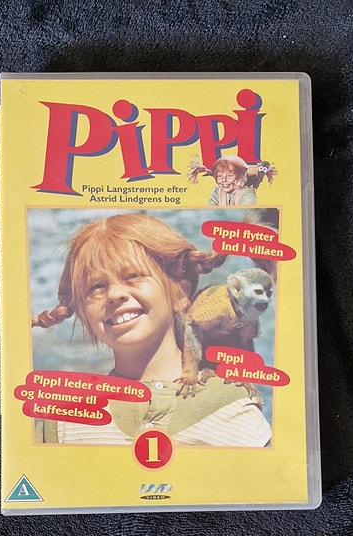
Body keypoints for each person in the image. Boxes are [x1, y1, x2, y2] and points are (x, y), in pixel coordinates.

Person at [32, 213, 271, 446]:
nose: (114, 294)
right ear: (84, 315)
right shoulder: (63, 423)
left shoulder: (235, 415)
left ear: (179, 291)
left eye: (133, 276)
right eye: (96, 287)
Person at [187, 155, 257, 206]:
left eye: (229, 176)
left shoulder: (247, 193)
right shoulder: (217, 191)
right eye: (219, 176)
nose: (224, 180)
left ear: (240, 177)